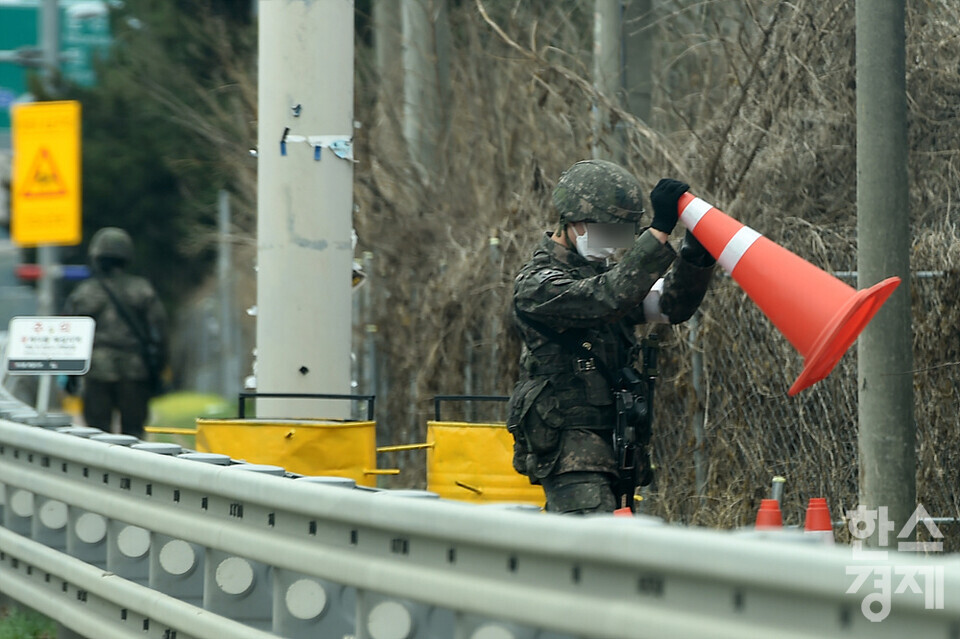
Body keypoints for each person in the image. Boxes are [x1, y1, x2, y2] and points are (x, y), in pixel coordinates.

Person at [506, 159, 716, 514]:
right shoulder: (538, 285)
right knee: (594, 549)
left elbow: (671, 305)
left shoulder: (607, 279)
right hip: (568, 449)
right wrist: (659, 231)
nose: (613, 245)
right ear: (573, 222)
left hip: (614, 442)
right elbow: (605, 298)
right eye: (606, 232)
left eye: (621, 235)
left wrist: (697, 254)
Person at [62, 227, 168, 438]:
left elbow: (70, 337)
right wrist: (158, 368)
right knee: (134, 434)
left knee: (97, 435)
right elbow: (160, 333)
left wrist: (71, 375)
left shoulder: (84, 292)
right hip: (135, 371)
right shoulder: (142, 289)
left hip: (96, 370)